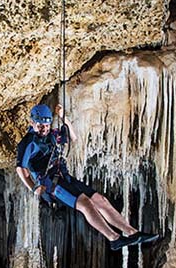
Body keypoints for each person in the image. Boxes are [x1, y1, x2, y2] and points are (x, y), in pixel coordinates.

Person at [15, 103, 158, 251]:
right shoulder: (28, 142)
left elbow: (73, 137)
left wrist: (64, 118)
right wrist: (33, 188)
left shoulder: (51, 135)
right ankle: (114, 238)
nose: (44, 129)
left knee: (100, 200)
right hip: (50, 183)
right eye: (40, 125)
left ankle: (132, 233)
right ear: (32, 123)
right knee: (86, 203)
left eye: (47, 124)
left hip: (64, 177)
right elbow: (21, 168)